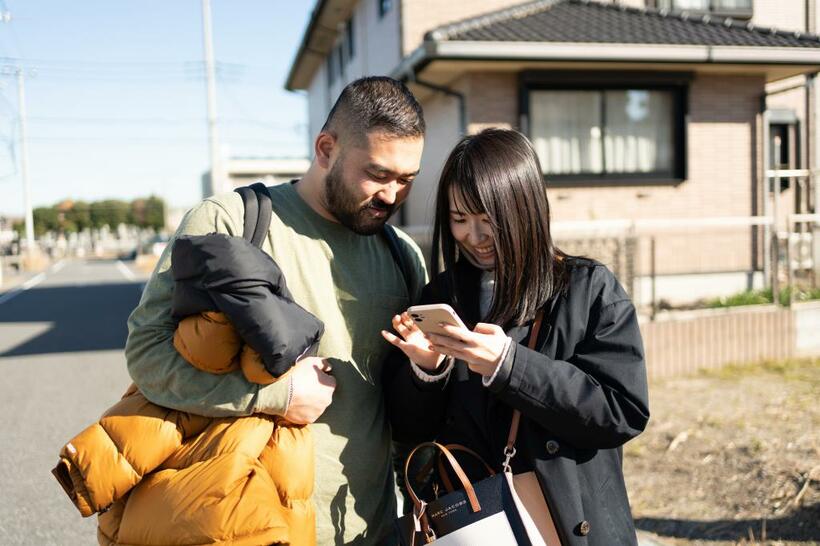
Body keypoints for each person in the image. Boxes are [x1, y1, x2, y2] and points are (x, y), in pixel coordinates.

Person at [125, 76, 428, 545]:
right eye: (378, 174)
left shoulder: (403, 254)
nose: (392, 195)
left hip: (376, 527)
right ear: (326, 148)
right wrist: (275, 396)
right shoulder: (230, 222)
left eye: (407, 180)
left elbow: (405, 404)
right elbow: (148, 355)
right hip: (252, 525)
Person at [382, 128, 650, 545]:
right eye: (459, 220)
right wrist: (426, 370)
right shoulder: (443, 295)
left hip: (570, 522)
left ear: (523, 209)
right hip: (474, 527)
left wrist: (509, 365)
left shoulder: (586, 288)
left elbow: (622, 411)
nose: (473, 236)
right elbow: (410, 428)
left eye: (488, 220)